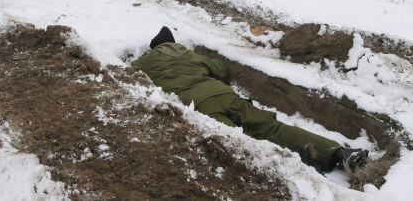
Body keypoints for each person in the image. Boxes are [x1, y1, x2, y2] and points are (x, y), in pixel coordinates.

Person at [132, 27, 369, 175]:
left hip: (199, 106)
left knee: (241, 148)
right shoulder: (186, 52)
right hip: (225, 95)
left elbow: (131, 81)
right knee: (272, 128)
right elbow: (220, 69)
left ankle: (284, 178)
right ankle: (338, 153)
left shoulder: (143, 64)